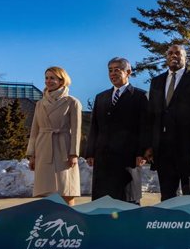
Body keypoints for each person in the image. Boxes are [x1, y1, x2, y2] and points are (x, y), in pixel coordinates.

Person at [148, 43, 190, 200]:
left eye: (178, 53)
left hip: (189, 148)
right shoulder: (157, 81)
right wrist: (150, 145)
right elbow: (152, 116)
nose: (173, 56)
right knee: (168, 196)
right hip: (163, 149)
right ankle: (170, 224)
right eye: (170, 53)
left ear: (185, 57)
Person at [85, 57, 149, 203]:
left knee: (127, 198)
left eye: (117, 70)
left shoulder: (140, 96)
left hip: (128, 157)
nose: (113, 73)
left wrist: (142, 152)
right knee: (103, 201)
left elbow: (145, 126)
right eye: (110, 70)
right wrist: (90, 152)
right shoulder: (101, 97)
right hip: (103, 158)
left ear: (128, 72)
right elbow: (94, 127)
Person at [26, 66, 82, 206]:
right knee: (46, 190)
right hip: (43, 147)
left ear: (61, 80)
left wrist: (74, 154)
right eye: (46, 78)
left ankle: (70, 220)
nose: (48, 81)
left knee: (66, 190)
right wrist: (31, 154)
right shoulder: (40, 104)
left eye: (52, 78)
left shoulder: (72, 102)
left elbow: (76, 131)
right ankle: (50, 223)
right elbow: (34, 131)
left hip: (63, 148)